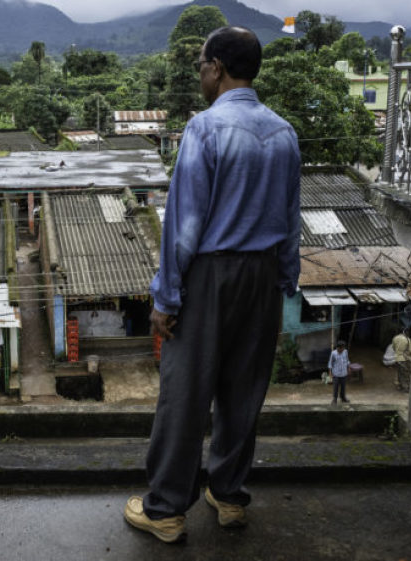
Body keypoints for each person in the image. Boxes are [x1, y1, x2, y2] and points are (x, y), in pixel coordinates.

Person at [123, 26, 301, 543]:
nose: (200, 73)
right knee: (244, 391)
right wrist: (284, 279)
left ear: (217, 67)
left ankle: (165, 510)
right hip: (264, 274)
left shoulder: (206, 129)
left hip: (212, 274)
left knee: (186, 391)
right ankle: (228, 497)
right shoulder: (284, 132)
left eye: (201, 64)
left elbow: (184, 226)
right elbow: (292, 219)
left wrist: (165, 298)